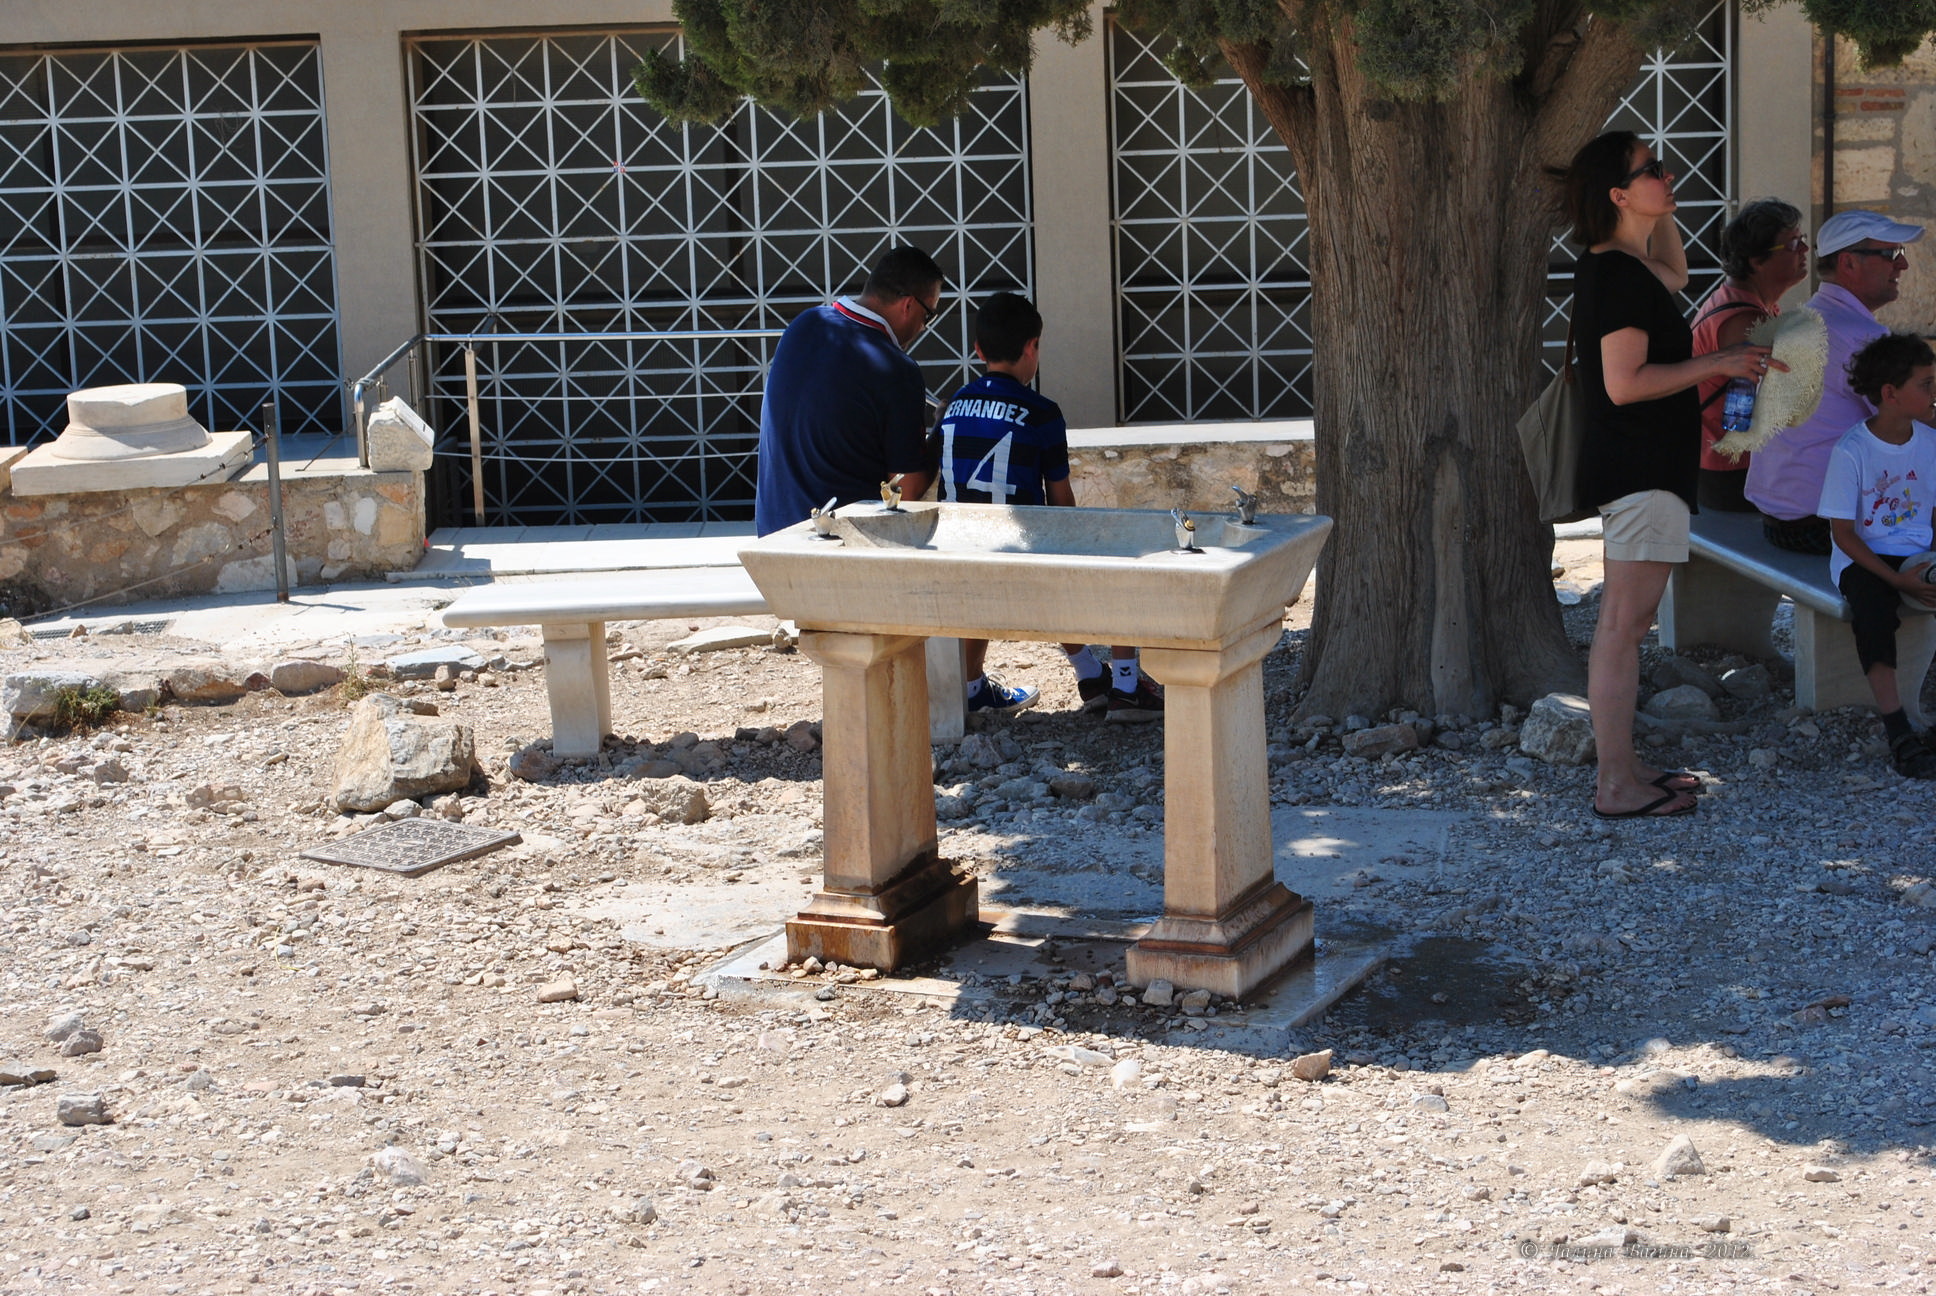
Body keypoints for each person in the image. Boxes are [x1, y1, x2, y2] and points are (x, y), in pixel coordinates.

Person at [1559, 131, 1775, 819]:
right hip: (1642, 468)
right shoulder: (1617, 273)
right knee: (1622, 629)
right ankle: (1615, 785)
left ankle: (1624, 771)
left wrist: (1660, 208)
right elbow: (1624, 384)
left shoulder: (1625, 264)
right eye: (1652, 170)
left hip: (1645, 469)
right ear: (1618, 195)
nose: (1668, 173)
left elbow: (1676, 276)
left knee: (1627, 625)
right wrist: (1720, 363)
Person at [936, 293, 1164, 721]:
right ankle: (1127, 688)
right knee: (1117, 551)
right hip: (1025, 565)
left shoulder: (951, 406)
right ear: (1032, 347)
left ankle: (981, 686)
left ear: (978, 351)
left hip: (957, 562)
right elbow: (1061, 504)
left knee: (999, 552)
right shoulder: (1041, 413)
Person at [1744, 210, 1927, 553]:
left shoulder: (1802, 320)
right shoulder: (1858, 335)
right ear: (1849, 263)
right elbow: (1918, 420)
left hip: (1781, 516)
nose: (1902, 265)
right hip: (1820, 524)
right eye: (1891, 254)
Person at [753, 246, 942, 537]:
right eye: (928, 316)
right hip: (837, 543)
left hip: (773, 534)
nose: (922, 327)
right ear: (908, 305)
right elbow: (907, 490)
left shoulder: (804, 324)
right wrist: (942, 427)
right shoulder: (897, 370)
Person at [1818, 332, 1936, 779]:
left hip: (1918, 554)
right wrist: (1899, 582)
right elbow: (1844, 535)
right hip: (1864, 558)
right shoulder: (1851, 450)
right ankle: (1898, 730)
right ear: (1890, 393)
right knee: (1872, 612)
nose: (1934, 392)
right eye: (1925, 384)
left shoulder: (1930, 443)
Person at [1689, 199, 1809, 511]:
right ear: (1757, 260)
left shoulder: (1747, 304)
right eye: (1793, 244)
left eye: (1802, 240)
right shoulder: (1744, 321)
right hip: (1733, 472)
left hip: (1724, 463)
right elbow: (1747, 414)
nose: (1805, 250)